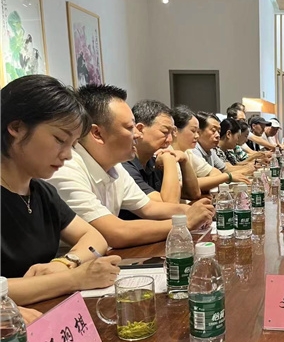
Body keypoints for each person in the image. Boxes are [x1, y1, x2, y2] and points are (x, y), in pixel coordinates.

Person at [47, 84, 215, 249]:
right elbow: (115, 233)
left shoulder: (115, 167)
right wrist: (186, 221)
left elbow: (150, 208)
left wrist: (193, 210)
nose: (137, 134)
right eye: (130, 127)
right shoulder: (65, 168)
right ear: (97, 133)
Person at [1, 75, 120, 305]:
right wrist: (73, 279)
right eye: (59, 139)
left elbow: (94, 237)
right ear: (16, 127)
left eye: (72, 145)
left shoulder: (42, 192)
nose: (67, 155)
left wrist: (65, 263)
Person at [122, 100, 199, 205]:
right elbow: (170, 204)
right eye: (165, 132)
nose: (170, 140)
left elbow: (193, 194)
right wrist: (169, 158)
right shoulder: (125, 166)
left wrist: (184, 161)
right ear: (140, 129)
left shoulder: (153, 161)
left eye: (171, 133)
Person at [171, 107, 250, 191]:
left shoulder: (189, 152)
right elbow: (182, 187)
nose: (197, 136)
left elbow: (217, 174)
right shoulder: (176, 153)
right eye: (193, 131)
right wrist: (227, 176)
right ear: (175, 131)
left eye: (219, 131)